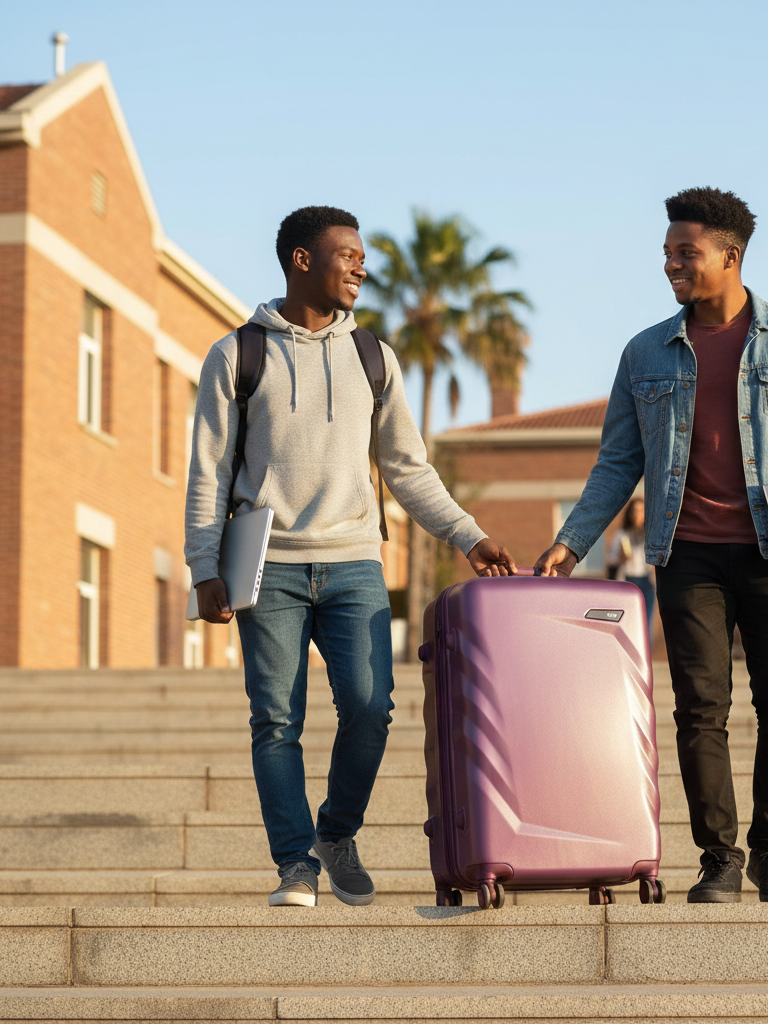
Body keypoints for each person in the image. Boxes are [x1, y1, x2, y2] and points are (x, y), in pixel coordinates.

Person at [535, 187, 768, 904]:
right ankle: (720, 856)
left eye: (686, 253)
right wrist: (571, 542)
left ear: (730, 255)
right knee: (699, 707)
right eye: (667, 253)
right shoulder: (645, 351)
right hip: (687, 557)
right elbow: (618, 462)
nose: (671, 265)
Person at [185, 206, 515, 909]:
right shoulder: (238, 354)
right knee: (276, 719)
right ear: (303, 260)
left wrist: (468, 534)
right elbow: (208, 471)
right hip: (265, 566)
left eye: (363, 256)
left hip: (355, 561)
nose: (361, 267)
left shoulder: (374, 357)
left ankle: (336, 831)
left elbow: (408, 468)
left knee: (370, 707)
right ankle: (296, 864)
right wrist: (203, 565)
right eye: (348, 254)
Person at [607, 498, 656, 635]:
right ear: (629, 514)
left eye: (641, 511)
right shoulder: (622, 534)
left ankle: (646, 656)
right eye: (634, 511)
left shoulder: (650, 535)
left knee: (647, 624)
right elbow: (611, 561)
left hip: (647, 581)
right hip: (628, 581)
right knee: (628, 622)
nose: (637, 514)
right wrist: (620, 557)